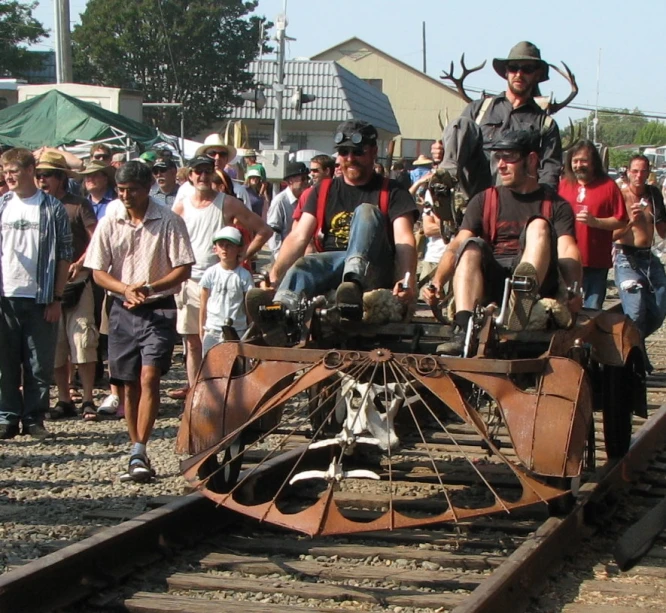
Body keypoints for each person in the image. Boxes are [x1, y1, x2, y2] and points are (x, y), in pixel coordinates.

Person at [247, 120, 418, 342]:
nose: (350, 158)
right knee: (305, 263)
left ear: (374, 151)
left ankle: (353, 285)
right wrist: (273, 276)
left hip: (375, 268)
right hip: (332, 267)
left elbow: (404, 239)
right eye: (344, 152)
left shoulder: (393, 192)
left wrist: (406, 281)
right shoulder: (322, 190)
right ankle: (279, 314)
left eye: (357, 152)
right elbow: (298, 236)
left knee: (366, 212)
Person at [84, 161, 195, 482]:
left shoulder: (169, 220)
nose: (125, 195)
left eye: (131, 189)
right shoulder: (109, 220)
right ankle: (137, 448)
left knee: (150, 377)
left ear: (147, 188)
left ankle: (139, 446)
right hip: (121, 307)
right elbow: (98, 270)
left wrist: (149, 288)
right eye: (120, 190)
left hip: (159, 307)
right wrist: (125, 289)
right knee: (127, 382)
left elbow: (183, 268)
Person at [424, 130, 582, 355]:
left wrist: (573, 290)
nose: (501, 165)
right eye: (498, 158)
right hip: (492, 279)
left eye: (509, 157)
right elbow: (456, 244)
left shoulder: (557, 206)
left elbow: (567, 250)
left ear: (531, 160)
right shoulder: (483, 200)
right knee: (470, 246)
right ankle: (464, 328)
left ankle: (521, 303)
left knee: (539, 225)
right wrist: (437, 283)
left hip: (538, 282)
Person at [170, 155, 271, 400]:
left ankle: (230, 392)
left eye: (207, 171)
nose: (202, 177)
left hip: (223, 281)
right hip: (189, 281)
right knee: (193, 342)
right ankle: (197, 392)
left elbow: (264, 230)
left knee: (230, 338)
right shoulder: (181, 205)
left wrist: (241, 256)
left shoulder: (227, 203)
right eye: (197, 172)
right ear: (190, 175)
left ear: (213, 174)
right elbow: (167, 237)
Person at [0, 148, 73, 439]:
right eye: (5, 172)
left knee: (38, 363)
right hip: (6, 294)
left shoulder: (52, 208)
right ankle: (7, 416)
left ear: (30, 170)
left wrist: (57, 296)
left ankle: (34, 417)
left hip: (40, 295)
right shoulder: (3, 204)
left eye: (14, 171)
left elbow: (66, 253)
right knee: (5, 362)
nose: (9, 177)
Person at [432, 41, 562, 199]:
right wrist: (441, 152)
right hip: (474, 188)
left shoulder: (545, 124)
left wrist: (544, 208)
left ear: (537, 75)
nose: (519, 74)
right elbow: (455, 142)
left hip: (514, 197)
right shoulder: (478, 109)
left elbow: (549, 173)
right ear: (506, 72)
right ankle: (444, 182)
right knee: (461, 124)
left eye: (527, 69)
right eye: (514, 68)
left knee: (506, 154)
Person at [34, 152, 99, 421]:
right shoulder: (35, 206)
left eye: (47, 174)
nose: (41, 180)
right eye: (38, 175)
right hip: (47, 285)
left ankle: (87, 398)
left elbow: (96, 238)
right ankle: (63, 398)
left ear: (61, 177)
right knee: (57, 345)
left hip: (79, 281)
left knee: (83, 340)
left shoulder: (79, 204)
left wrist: (81, 262)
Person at [558, 140, 627, 309]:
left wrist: (595, 222)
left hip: (596, 263)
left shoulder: (609, 186)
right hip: (566, 262)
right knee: (564, 311)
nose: (578, 165)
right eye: (575, 161)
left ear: (593, 162)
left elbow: (621, 220)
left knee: (592, 311)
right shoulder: (563, 185)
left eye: (583, 161)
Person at [613, 154, 666, 350]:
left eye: (643, 171)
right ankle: (636, 358)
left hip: (649, 258)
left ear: (649, 172)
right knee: (635, 313)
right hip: (626, 257)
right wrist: (630, 223)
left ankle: (635, 343)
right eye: (635, 171)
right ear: (627, 172)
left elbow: (662, 231)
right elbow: (610, 235)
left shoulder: (653, 194)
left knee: (659, 309)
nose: (639, 175)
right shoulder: (619, 195)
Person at [199, 226, 255, 355]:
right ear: (215, 249)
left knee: (237, 367)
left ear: (238, 249)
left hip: (237, 330)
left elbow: (248, 305)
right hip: (213, 329)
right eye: (221, 245)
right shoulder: (210, 273)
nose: (225, 249)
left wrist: (250, 329)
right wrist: (202, 328)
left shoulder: (244, 276)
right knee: (210, 368)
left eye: (229, 245)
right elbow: (203, 302)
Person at [266, 161, 310, 260]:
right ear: (290, 181)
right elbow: (273, 231)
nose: (306, 182)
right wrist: (279, 256)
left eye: (307, 179)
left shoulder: (307, 199)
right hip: (284, 255)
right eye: (302, 179)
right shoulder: (280, 201)